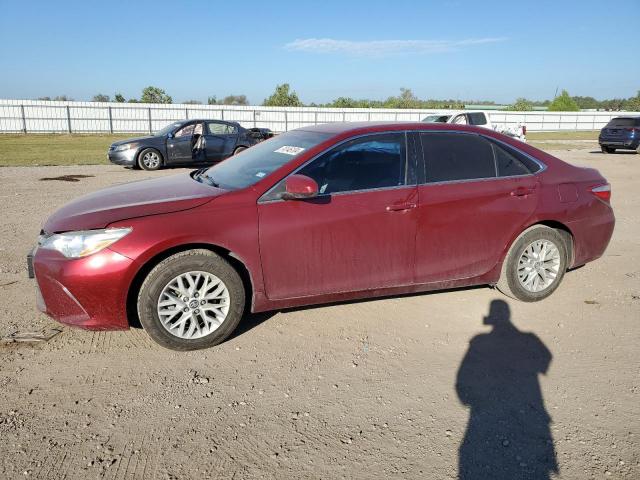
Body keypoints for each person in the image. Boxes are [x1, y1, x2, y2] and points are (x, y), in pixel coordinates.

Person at [456, 300, 558, 479]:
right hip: (528, 404)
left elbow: (463, 377)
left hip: (485, 408)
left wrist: (469, 398)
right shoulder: (529, 339)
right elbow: (545, 359)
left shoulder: (479, 341)